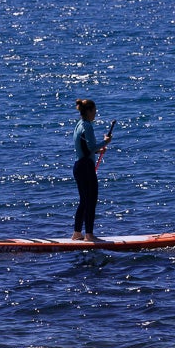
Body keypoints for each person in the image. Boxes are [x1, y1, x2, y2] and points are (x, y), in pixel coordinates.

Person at [71, 98, 112, 241]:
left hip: (78, 166)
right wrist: (105, 142)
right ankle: (89, 235)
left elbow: (85, 148)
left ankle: (77, 233)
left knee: (84, 201)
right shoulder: (87, 126)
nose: (95, 114)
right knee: (91, 201)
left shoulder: (78, 125)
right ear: (88, 111)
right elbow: (91, 147)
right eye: (94, 111)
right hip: (86, 167)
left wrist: (98, 152)